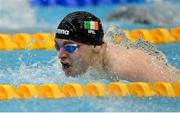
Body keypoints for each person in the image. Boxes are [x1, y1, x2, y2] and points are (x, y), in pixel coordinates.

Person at [55, 11, 179, 83]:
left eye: (69, 47)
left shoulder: (126, 67)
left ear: (95, 46)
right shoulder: (82, 60)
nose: (60, 55)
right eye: (57, 46)